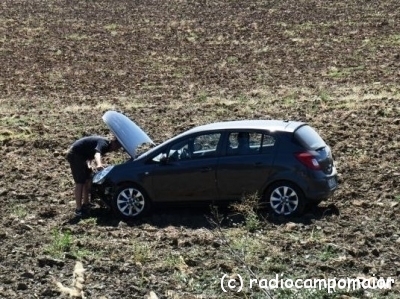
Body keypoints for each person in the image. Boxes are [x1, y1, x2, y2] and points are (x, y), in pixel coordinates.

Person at [66, 135, 121, 217]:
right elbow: (97, 153)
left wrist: (89, 164)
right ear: (113, 142)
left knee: (88, 179)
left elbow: (89, 152)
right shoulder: (104, 143)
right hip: (75, 154)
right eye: (117, 146)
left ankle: (86, 204)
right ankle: (79, 209)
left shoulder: (107, 146)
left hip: (82, 156)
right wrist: (99, 164)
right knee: (80, 182)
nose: (116, 149)